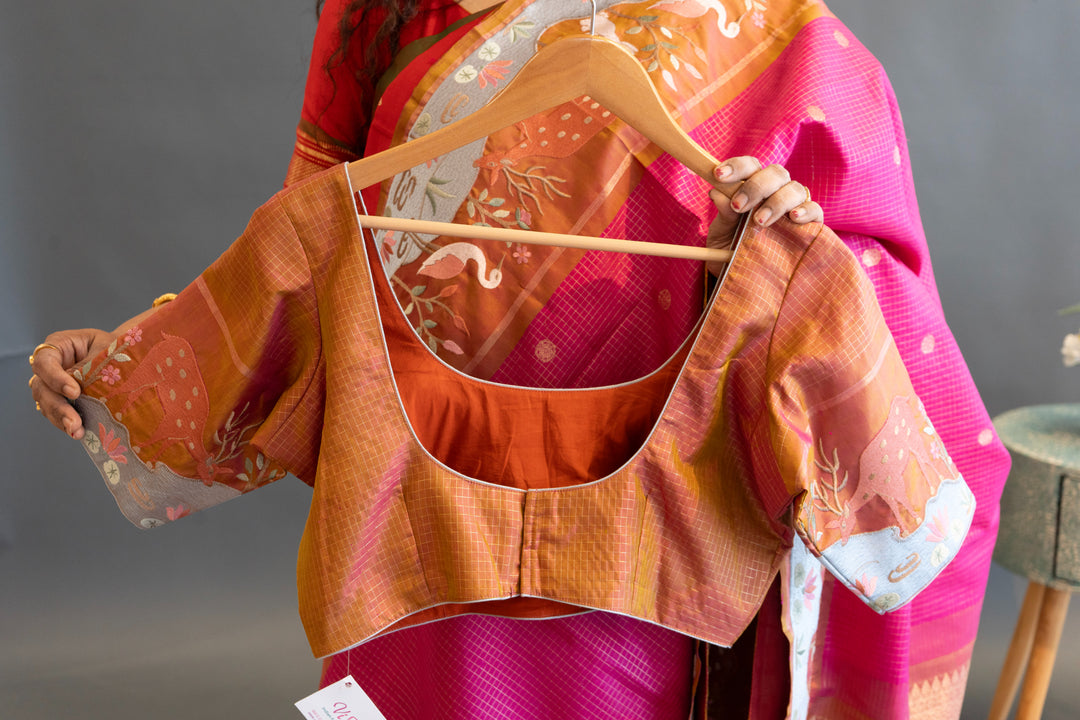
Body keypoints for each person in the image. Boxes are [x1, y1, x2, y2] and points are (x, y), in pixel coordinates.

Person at [28, 0, 1009, 717]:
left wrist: (809, 246)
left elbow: (888, 347)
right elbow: (316, 254)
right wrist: (127, 365)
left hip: (675, 538)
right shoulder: (379, 14)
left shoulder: (784, 44)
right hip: (414, 532)